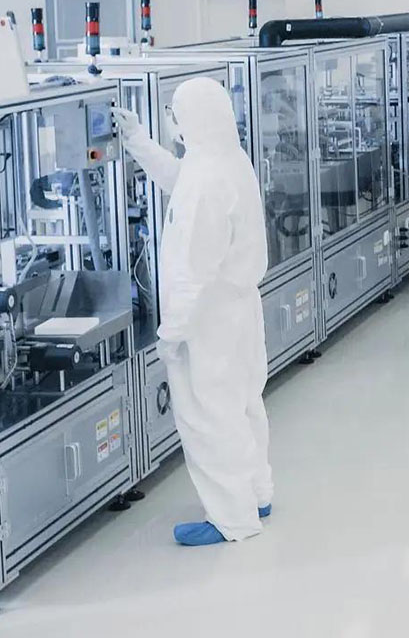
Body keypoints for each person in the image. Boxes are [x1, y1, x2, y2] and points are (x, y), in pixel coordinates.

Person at [113, 77, 273, 545]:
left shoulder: (206, 181)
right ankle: (255, 493)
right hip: (238, 310)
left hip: (208, 318)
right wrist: (137, 139)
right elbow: (178, 177)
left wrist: (172, 333)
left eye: (176, 114)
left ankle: (231, 518)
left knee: (208, 416)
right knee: (242, 406)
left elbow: (191, 269)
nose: (174, 122)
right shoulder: (226, 159)